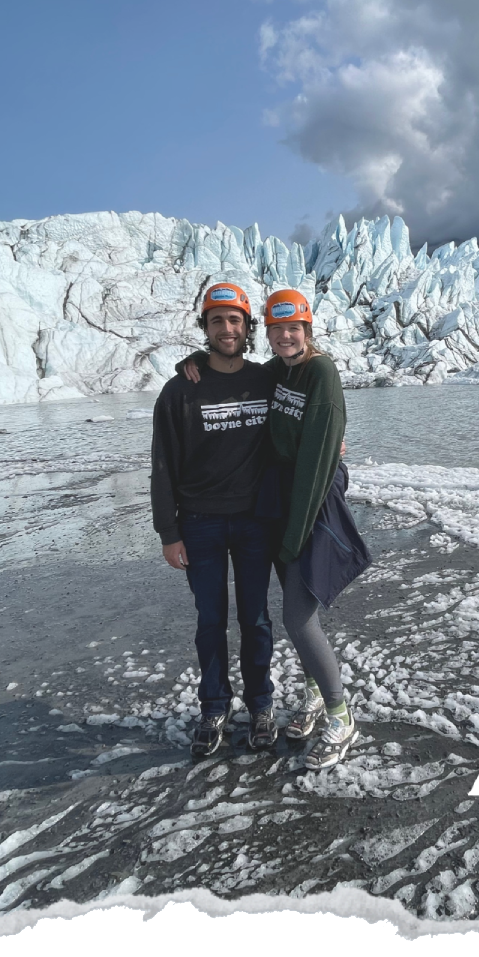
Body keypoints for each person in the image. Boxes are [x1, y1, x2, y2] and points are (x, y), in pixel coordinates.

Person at [182, 288, 372, 769]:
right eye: (276, 329)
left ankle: (341, 716)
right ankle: (312, 695)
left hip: (308, 507)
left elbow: (316, 461)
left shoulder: (320, 372)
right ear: (264, 333)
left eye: (294, 329)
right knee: (292, 610)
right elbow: (232, 371)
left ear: (308, 331)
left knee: (296, 618)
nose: (285, 336)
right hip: (279, 503)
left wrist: (294, 533)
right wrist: (195, 360)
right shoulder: (279, 371)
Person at [150, 282, 278, 758]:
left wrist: (335, 443)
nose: (228, 328)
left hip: (254, 522)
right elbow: (162, 462)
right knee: (210, 620)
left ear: (248, 328)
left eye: (236, 320)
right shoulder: (181, 388)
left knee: (257, 619)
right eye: (218, 320)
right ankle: (214, 706)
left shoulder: (267, 380)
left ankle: (261, 704)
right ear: (204, 327)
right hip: (200, 522)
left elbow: (309, 400)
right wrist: (169, 531)